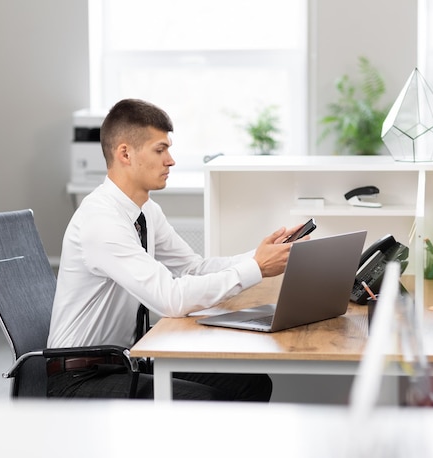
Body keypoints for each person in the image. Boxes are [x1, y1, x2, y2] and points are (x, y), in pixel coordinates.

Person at [47, 98, 303, 400]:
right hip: (79, 378)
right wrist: (256, 269)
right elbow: (169, 299)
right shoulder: (100, 221)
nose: (171, 160)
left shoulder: (145, 211)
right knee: (206, 403)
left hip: (125, 360)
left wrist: (260, 255)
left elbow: (193, 268)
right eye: (160, 149)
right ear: (125, 154)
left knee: (252, 383)